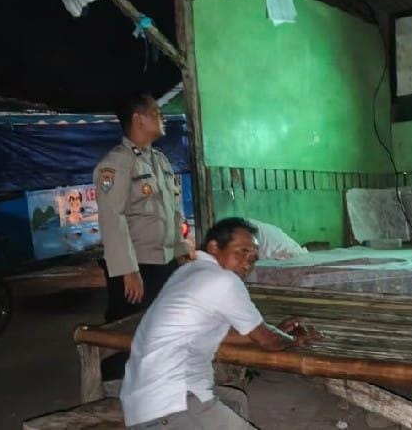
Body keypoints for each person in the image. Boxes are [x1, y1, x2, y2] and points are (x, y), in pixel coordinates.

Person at [120, 217, 319, 429]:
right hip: (172, 403)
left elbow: (221, 335)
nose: (247, 264)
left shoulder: (187, 272)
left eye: (252, 258)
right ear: (214, 247)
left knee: (235, 401)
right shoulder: (224, 280)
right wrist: (293, 339)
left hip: (139, 401)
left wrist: (274, 332)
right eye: (241, 252)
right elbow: (268, 341)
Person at [94, 93, 188, 378]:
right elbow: (112, 217)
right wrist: (128, 270)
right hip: (137, 266)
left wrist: (181, 251)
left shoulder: (159, 160)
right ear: (138, 119)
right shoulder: (117, 163)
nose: (163, 118)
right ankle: (114, 388)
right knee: (126, 334)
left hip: (164, 262)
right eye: (156, 113)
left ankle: (157, 382)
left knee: (160, 328)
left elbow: (172, 211)